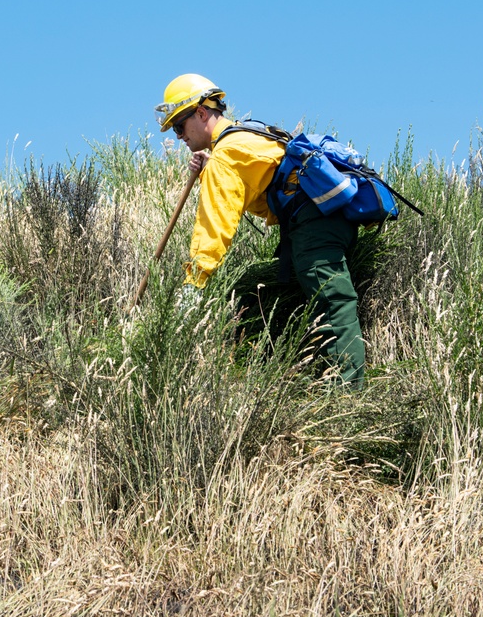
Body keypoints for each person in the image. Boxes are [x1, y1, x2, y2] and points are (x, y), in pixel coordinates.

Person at [155, 74, 365, 385]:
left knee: (332, 302)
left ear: (200, 113)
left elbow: (215, 227)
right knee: (266, 296)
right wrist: (209, 169)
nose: (178, 136)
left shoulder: (225, 157)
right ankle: (301, 377)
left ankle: (348, 395)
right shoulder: (242, 136)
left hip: (314, 225)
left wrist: (193, 286)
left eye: (179, 126)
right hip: (323, 219)